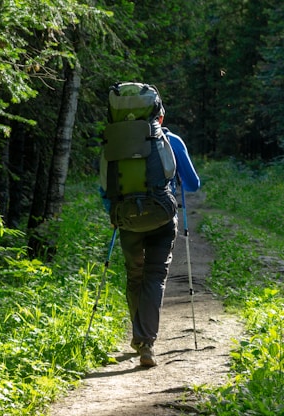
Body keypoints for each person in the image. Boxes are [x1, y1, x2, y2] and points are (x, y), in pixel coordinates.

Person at [100, 102, 200, 367]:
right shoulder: (171, 140)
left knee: (135, 275)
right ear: (160, 115)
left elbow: (104, 187)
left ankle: (139, 336)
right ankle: (146, 343)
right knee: (154, 275)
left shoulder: (115, 142)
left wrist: (117, 213)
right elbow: (193, 184)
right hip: (162, 218)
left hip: (127, 219)